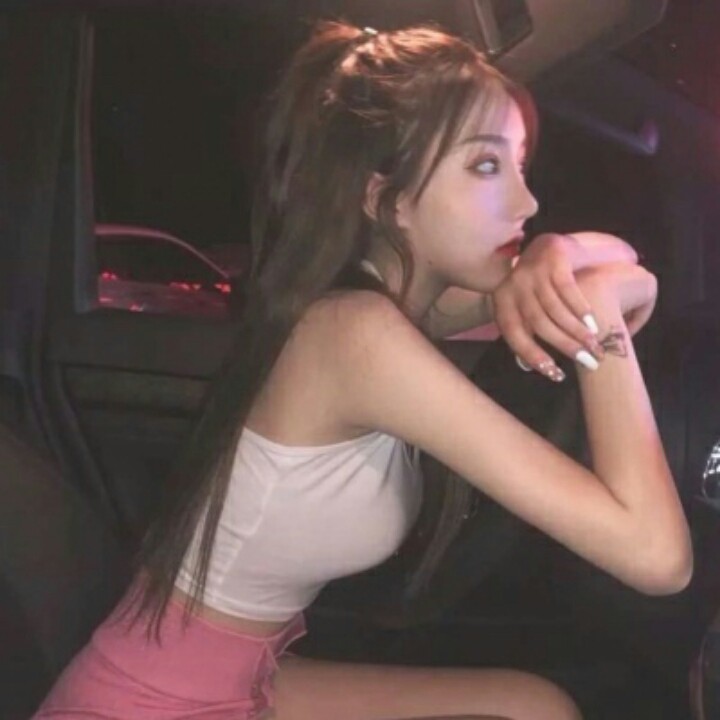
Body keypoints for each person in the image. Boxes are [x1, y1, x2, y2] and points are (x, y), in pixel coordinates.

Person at [33, 20, 692, 720]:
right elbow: (657, 558)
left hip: (245, 673)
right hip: (149, 701)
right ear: (387, 199)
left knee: (531, 706)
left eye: (522, 166)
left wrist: (555, 253)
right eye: (486, 166)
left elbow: (623, 262)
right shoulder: (357, 336)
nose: (527, 203)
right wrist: (596, 316)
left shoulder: (386, 309)